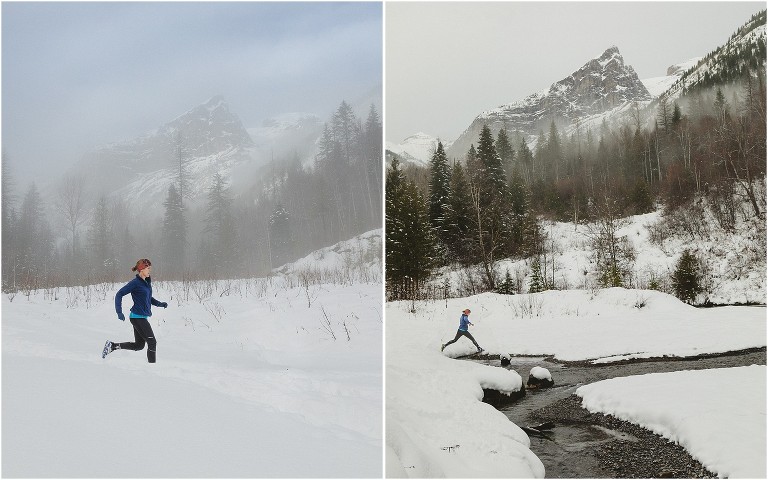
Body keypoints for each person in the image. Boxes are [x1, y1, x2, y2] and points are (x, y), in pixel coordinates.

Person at [102, 258, 168, 363]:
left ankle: (112, 346)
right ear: (141, 269)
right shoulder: (135, 283)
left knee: (139, 345)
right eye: (148, 268)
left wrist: (160, 304)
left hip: (140, 317)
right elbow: (119, 294)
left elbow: (148, 298)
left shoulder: (146, 283)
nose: (149, 270)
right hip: (137, 317)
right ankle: (153, 368)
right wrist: (119, 311)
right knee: (152, 342)